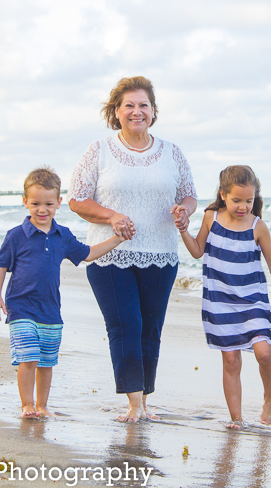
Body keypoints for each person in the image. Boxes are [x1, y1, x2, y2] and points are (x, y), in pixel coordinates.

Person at [68, 76, 197, 423]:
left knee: (150, 328)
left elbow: (189, 194)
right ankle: (133, 404)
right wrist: (111, 216)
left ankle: (144, 402)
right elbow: (76, 200)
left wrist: (184, 210)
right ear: (116, 112)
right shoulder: (100, 150)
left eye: (143, 105)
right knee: (125, 323)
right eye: (129, 105)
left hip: (161, 253)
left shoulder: (171, 152)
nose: (137, 111)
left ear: (153, 111)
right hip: (109, 254)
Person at [0, 166, 125, 419]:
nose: (42, 209)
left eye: (49, 204)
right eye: (36, 203)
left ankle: (42, 406)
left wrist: (117, 240)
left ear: (59, 202)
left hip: (50, 311)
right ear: (25, 202)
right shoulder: (16, 236)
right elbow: (0, 265)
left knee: (46, 362)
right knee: (28, 358)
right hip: (21, 308)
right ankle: (26, 405)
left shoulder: (63, 236)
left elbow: (88, 254)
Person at [178, 165, 271, 428]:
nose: (243, 207)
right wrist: (183, 230)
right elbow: (197, 251)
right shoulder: (211, 217)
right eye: (237, 200)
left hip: (253, 300)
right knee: (230, 359)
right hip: (220, 301)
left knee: (264, 352)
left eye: (249, 201)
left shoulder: (258, 226)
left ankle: (268, 398)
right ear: (223, 195)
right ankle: (237, 419)